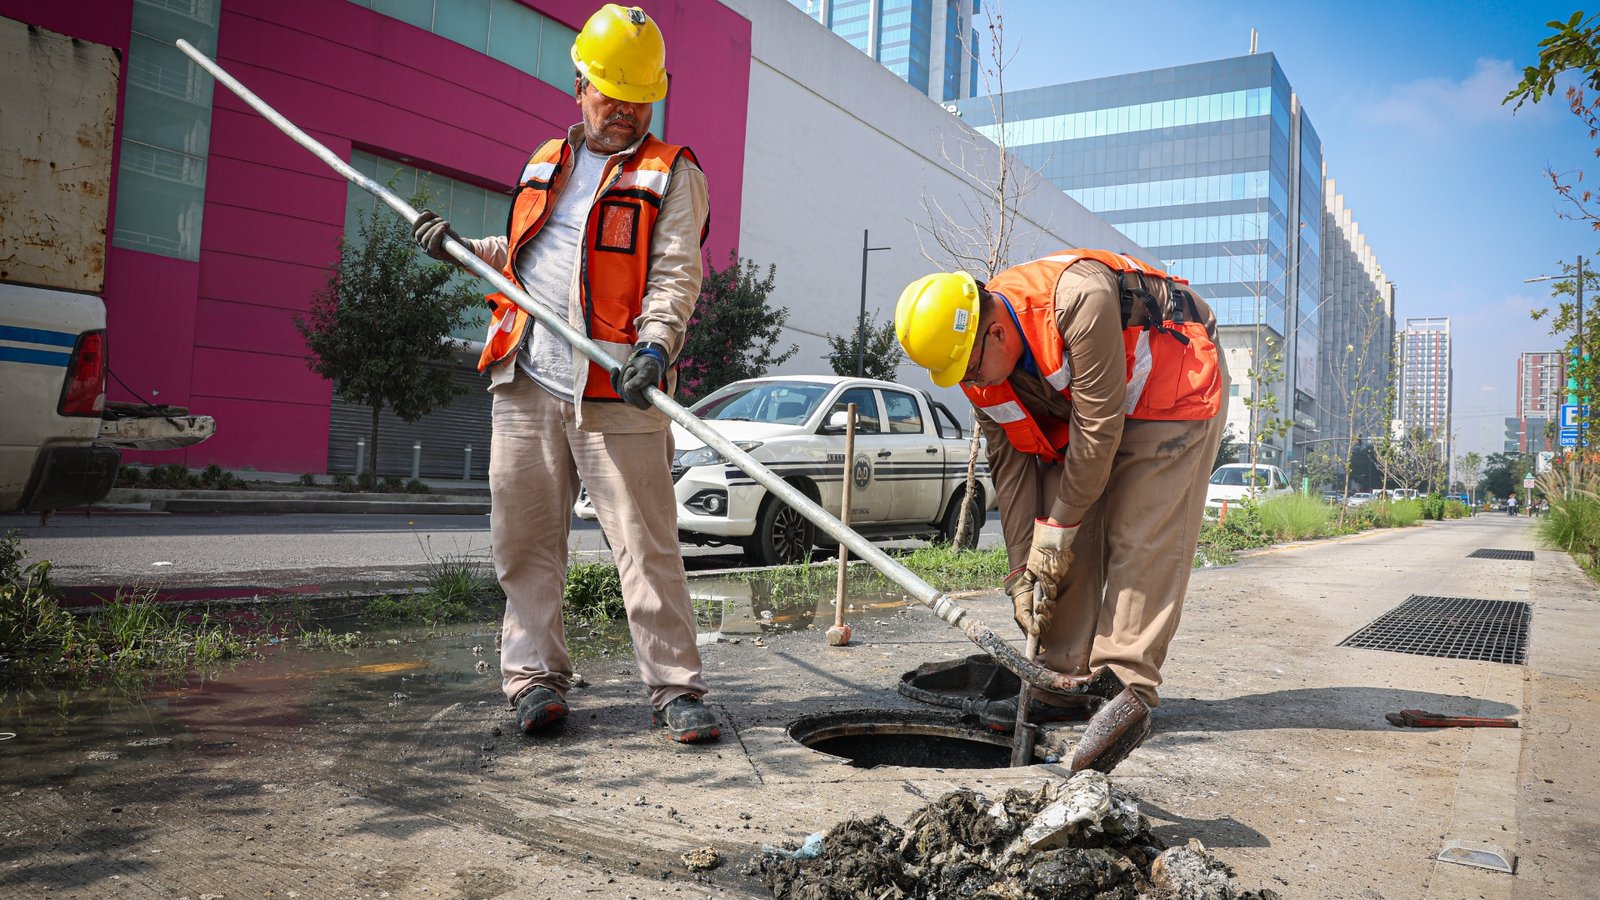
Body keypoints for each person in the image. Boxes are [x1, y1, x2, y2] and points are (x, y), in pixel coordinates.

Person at [410, 4, 718, 743]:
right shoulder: (545, 160)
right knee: (524, 543)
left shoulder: (672, 173)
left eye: (639, 100)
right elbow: (528, 258)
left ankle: (676, 690)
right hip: (525, 377)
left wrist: (656, 346)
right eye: (612, 98)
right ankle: (534, 681)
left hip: (620, 385)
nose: (626, 113)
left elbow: (675, 275)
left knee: (645, 545)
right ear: (579, 84)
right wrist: (460, 247)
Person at [894, 250, 1228, 772]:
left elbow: (1098, 433)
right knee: (1054, 518)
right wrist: (1023, 570)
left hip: (1171, 387)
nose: (969, 381)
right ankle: (1061, 682)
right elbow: (1010, 463)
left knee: (1140, 534)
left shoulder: (1079, 302)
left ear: (997, 333)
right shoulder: (977, 363)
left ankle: (1125, 687)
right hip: (1088, 413)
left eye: (970, 367)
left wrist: (1061, 527)